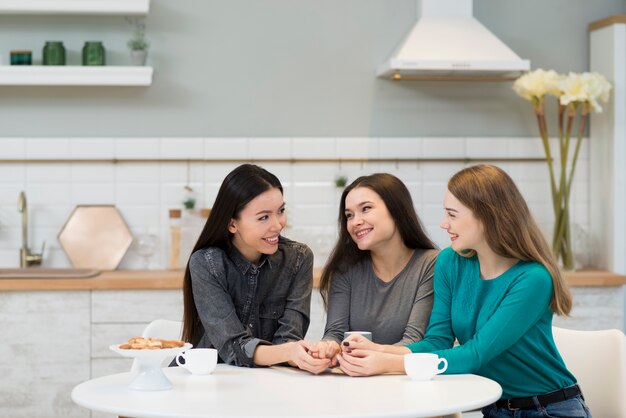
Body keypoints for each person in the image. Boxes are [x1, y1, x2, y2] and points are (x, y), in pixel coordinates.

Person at [337, 164, 591, 418]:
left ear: (486, 216)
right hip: (496, 410)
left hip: (549, 409)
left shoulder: (533, 278)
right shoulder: (450, 262)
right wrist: (377, 349)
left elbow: (475, 354)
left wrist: (387, 363)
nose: (443, 223)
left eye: (452, 214)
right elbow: (437, 341)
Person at [181, 164, 330, 373]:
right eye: (263, 217)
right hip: (210, 378)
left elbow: (288, 339)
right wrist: (290, 352)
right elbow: (233, 347)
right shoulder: (207, 263)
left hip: (268, 380)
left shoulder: (298, 259)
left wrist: (305, 355)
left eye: (281, 211)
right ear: (233, 224)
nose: (277, 225)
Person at [309, 173, 438, 364]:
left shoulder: (431, 264)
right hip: (356, 380)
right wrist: (327, 347)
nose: (355, 222)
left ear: (397, 210)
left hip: (405, 382)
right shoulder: (344, 269)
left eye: (366, 209)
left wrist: (372, 358)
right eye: (349, 215)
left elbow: (413, 341)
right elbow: (335, 334)